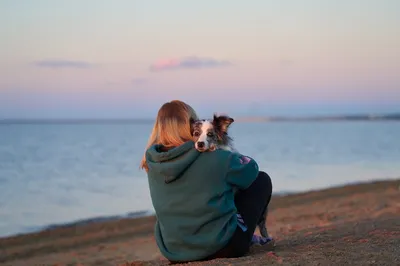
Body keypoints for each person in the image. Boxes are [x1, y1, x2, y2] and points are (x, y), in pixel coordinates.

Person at [140, 100, 274, 263]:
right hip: (223, 247)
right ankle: (244, 233)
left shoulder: (152, 162)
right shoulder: (215, 156)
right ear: (189, 125)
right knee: (261, 180)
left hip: (175, 252)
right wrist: (232, 156)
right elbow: (251, 169)